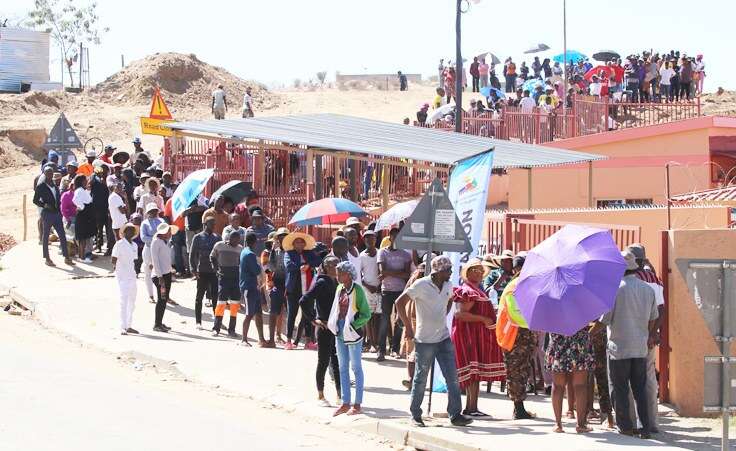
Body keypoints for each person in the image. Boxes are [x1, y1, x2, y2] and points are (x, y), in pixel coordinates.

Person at [395, 256, 473, 428]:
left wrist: (442, 315)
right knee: (420, 379)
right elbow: (399, 302)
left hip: (443, 338)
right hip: (425, 340)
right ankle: (416, 415)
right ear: (438, 271)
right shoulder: (421, 285)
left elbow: (450, 299)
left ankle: (455, 414)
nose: (451, 272)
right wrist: (408, 327)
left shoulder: (447, 285)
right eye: (448, 269)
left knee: (452, 378)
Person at [592, 250, 658, 439]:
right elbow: (653, 318)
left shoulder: (615, 290)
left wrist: (588, 335)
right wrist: (645, 333)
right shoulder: (648, 289)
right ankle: (645, 427)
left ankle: (625, 426)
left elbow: (604, 320)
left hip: (618, 349)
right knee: (640, 389)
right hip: (640, 348)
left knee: (620, 389)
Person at [452, 258, 506, 417]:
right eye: (475, 270)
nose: (480, 272)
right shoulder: (468, 290)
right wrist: (483, 319)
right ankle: (471, 408)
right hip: (468, 335)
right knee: (472, 371)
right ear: (468, 272)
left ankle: (472, 407)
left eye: (481, 270)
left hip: (476, 335)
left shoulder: (477, 289)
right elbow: (460, 314)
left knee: (475, 373)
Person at [628, 243, 665, 434]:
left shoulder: (629, 278)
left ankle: (633, 423)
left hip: (629, 338)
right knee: (649, 379)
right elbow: (661, 309)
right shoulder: (654, 280)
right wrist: (653, 333)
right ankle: (652, 422)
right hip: (648, 338)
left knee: (629, 381)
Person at [327, 261, 371, 417]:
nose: (337, 276)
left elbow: (366, 314)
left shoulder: (358, 290)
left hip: (352, 332)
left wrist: (353, 325)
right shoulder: (339, 288)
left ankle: (357, 404)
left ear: (349, 274)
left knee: (356, 368)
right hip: (340, 332)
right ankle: (345, 403)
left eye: (340, 273)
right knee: (342, 367)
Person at [496, 254, 537, 420]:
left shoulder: (525, 285)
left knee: (522, 371)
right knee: (515, 372)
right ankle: (518, 408)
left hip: (523, 335)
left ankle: (519, 407)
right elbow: (515, 314)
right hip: (514, 335)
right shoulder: (514, 286)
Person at [300, 255, 342, 406]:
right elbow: (304, 300)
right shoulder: (322, 282)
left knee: (337, 362)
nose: (336, 268)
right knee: (323, 362)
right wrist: (313, 319)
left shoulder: (337, 282)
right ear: (326, 267)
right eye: (332, 266)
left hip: (335, 327)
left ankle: (340, 395)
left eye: (338, 265)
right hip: (324, 327)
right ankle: (320, 395)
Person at [545, 325, 595, 433]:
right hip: (579, 343)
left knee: (558, 386)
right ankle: (581, 424)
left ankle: (558, 424)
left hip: (558, 342)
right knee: (580, 385)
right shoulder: (583, 307)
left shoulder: (552, 307)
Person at [376, 226, 412, 361]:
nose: (397, 239)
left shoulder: (406, 254)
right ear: (390, 237)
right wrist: (397, 273)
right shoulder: (382, 252)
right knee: (384, 320)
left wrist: (389, 273)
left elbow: (407, 274)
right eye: (394, 236)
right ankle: (381, 350)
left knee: (399, 320)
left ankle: (395, 349)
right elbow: (381, 271)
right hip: (386, 290)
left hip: (400, 291)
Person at [283, 231, 322, 349]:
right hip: (293, 288)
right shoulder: (288, 254)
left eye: (301, 242)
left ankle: (308, 341)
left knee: (307, 314)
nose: (299, 244)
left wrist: (308, 265)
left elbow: (318, 261)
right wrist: (301, 266)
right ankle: (289, 340)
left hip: (308, 288)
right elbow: (289, 266)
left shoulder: (309, 253)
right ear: (293, 244)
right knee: (292, 314)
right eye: (297, 242)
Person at [33, 164, 74, 267]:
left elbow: (58, 200)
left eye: (51, 173)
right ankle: (47, 258)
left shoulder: (54, 185)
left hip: (56, 214)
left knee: (62, 235)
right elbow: (35, 200)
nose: (50, 175)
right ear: (44, 174)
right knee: (46, 236)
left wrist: (62, 214)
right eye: (48, 173)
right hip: (47, 214)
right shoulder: (41, 186)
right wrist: (44, 205)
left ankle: (66, 257)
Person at [210, 230, 243, 337]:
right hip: (223, 277)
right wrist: (215, 269)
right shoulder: (219, 245)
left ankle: (231, 330)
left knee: (234, 305)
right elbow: (212, 257)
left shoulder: (240, 248)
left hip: (235, 279)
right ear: (230, 238)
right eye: (235, 239)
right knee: (221, 303)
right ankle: (216, 328)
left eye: (238, 239)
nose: (236, 241)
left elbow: (241, 263)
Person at [189, 216, 221, 329]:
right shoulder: (197, 238)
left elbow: (220, 254)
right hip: (201, 270)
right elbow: (192, 255)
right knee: (199, 297)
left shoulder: (217, 237)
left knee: (215, 296)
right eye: (211, 224)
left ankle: (217, 321)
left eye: (214, 224)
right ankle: (198, 321)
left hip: (214, 272)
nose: (213, 226)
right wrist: (193, 269)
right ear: (205, 224)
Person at [240, 232, 266, 346]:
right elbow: (256, 270)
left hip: (252, 286)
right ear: (255, 242)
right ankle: (244, 339)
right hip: (248, 286)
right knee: (249, 314)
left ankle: (261, 339)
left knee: (258, 313)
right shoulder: (250, 254)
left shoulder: (244, 251)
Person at [112, 223, 139, 335]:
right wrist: (118, 270)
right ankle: (122, 326)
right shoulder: (119, 244)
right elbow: (113, 259)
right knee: (124, 301)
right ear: (124, 232)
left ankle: (129, 325)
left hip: (132, 275)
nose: (131, 232)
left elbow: (134, 260)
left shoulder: (134, 245)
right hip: (122, 276)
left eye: (132, 231)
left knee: (132, 301)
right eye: (128, 230)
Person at [150, 222, 175, 332]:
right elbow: (155, 260)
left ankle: (159, 322)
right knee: (161, 299)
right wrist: (160, 277)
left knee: (164, 299)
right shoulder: (156, 242)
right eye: (168, 231)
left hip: (166, 274)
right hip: (160, 276)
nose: (170, 233)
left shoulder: (164, 242)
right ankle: (157, 324)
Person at [267, 227, 290, 346]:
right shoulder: (275, 252)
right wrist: (271, 251)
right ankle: (274, 337)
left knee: (287, 312)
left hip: (289, 284)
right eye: (280, 237)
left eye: (284, 237)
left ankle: (286, 337)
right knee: (275, 311)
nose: (282, 239)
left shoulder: (291, 251)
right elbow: (271, 268)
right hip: (278, 283)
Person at [359, 230, 381, 352]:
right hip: (367, 289)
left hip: (379, 289)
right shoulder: (362, 256)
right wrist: (368, 286)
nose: (369, 240)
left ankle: (375, 342)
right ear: (364, 240)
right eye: (367, 238)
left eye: (371, 238)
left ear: (375, 239)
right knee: (368, 317)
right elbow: (358, 274)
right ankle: (371, 343)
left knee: (377, 317)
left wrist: (379, 286)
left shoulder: (380, 253)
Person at [140, 203, 164, 304]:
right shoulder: (144, 223)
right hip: (149, 250)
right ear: (148, 212)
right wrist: (155, 239)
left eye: (155, 211)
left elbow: (166, 234)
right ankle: (151, 295)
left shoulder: (161, 221)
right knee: (149, 273)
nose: (154, 213)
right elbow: (143, 238)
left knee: (162, 273)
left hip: (161, 250)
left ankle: (164, 295)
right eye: (152, 211)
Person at [72, 174, 96, 263]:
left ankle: (82, 256)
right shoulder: (79, 191)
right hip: (83, 216)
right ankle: (82, 257)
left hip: (86, 216)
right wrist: (81, 207)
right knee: (82, 238)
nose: (87, 181)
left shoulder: (83, 190)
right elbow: (75, 200)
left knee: (84, 237)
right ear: (81, 181)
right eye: (85, 180)